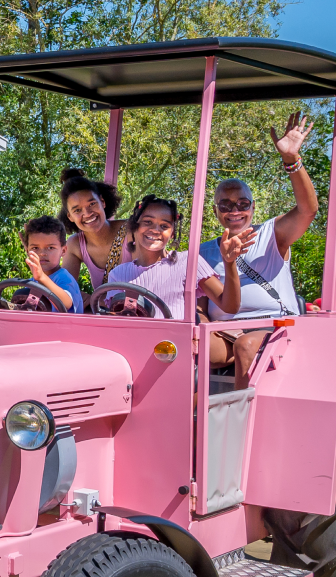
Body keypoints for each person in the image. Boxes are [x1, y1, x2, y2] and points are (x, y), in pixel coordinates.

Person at [199, 110, 319, 387]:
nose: (235, 211)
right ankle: (184, 417)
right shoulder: (203, 252)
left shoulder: (271, 234)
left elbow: (307, 210)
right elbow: (201, 304)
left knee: (245, 346)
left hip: (274, 325)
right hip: (224, 331)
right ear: (216, 210)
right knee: (184, 346)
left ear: (253, 207)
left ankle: (240, 421)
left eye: (242, 204)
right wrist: (201, 324)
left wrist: (291, 160)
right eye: (226, 205)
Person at [106, 196, 252, 320]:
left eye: (164, 226)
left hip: (174, 348)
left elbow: (230, 307)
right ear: (134, 226)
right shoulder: (118, 275)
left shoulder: (187, 262)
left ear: (173, 233)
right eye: (148, 222)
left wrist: (229, 262)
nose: (155, 230)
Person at [59, 168, 130, 289]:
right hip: (103, 308)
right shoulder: (75, 244)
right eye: (77, 210)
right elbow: (64, 290)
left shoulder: (131, 230)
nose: (87, 213)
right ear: (70, 217)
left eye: (92, 204)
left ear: (102, 202)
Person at [18, 216, 84, 312]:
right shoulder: (30, 283)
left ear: (63, 250)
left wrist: (41, 278)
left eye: (50, 248)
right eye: (35, 248)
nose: (42, 253)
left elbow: (65, 304)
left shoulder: (64, 278)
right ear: (27, 251)